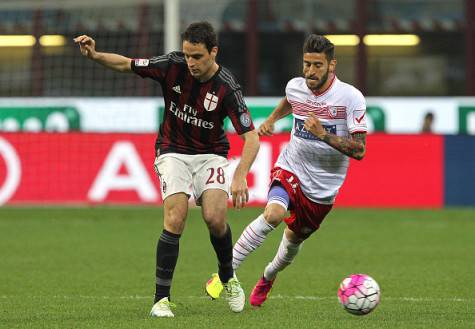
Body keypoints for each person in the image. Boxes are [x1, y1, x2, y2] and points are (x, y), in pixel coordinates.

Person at [74, 21, 260, 317]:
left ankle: (227, 277)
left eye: (197, 56)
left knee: (214, 217)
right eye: (187, 55)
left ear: (213, 52)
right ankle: (161, 299)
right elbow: (127, 64)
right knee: (176, 216)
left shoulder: (227, 87)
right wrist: (95, 55)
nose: (190, 62)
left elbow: (252, 137)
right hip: (173, 150)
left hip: (211, 154)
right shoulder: (172, 65)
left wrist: (240, 176)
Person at [206, 34, 367, 307]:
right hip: (291, 166)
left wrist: (324, 135)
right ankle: (225, 272)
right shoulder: (296, 86)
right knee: (274, 213)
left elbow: (360, 150)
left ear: (332, 65)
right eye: (307, 64)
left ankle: (269, 275)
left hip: (323, 187)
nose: (310, 71)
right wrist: (271, 119)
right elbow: (290, 102)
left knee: (292, 243)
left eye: (317, 65)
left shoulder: (350, 98)